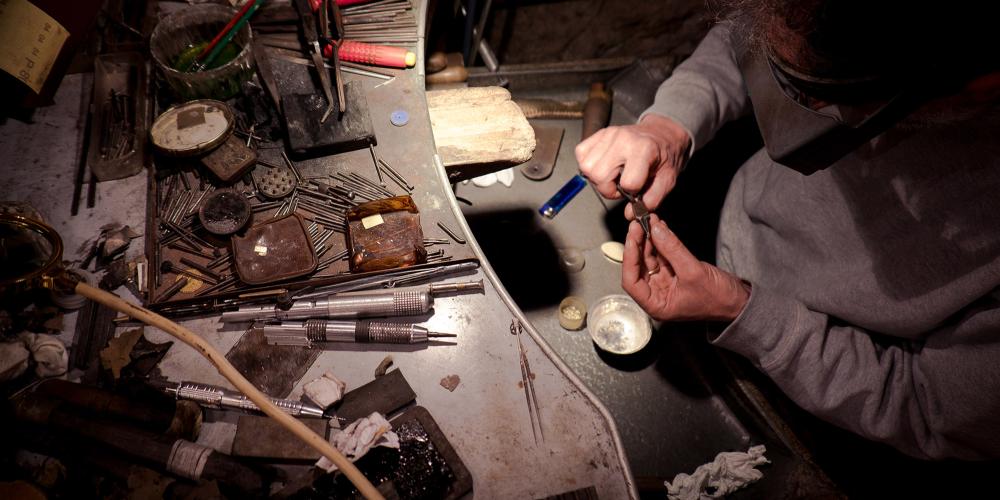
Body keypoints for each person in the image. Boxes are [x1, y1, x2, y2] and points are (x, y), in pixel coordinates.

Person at [576, 1, 1000, 461]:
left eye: (823, 103)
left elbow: (922, 409)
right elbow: (759, 30)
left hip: (818, 399)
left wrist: (745, 314)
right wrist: (669, 125)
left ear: (977, 87)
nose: (795, 108)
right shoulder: (818, 27)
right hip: (733, 226)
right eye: (792, 86)